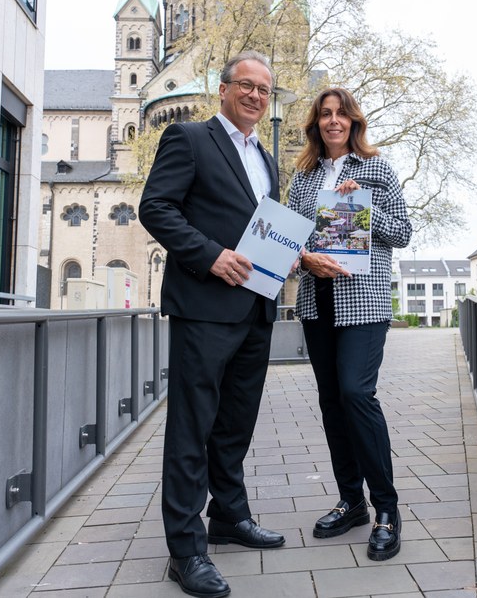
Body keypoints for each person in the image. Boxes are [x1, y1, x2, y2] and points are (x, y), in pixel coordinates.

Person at [139, 50, 285, 598]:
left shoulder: (265, 158)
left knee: (234, 425)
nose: (254, 96)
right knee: (191, 428)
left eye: (263, 90)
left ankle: (229, 515)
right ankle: (185, 548)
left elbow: (260, 226)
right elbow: (157, 208)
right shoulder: (190, 138)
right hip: (203, 306)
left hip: (256, 308)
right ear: (223, 90)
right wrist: (210, 255)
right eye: (245, 86)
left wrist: (284, 252)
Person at [288, 87, 412, 561]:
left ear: (354, 122)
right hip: (318, 302)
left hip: (363, 301)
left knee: (357, 394)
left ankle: (387, 509)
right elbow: (291, 240)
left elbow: (401, 231)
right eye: (325, 114)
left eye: (341, 114)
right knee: (331, 402)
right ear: (316, 123)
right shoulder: (302, 177)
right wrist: (303, 258)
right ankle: (351, 502)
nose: (333, 121)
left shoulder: (376, 168)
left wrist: (363, 205)